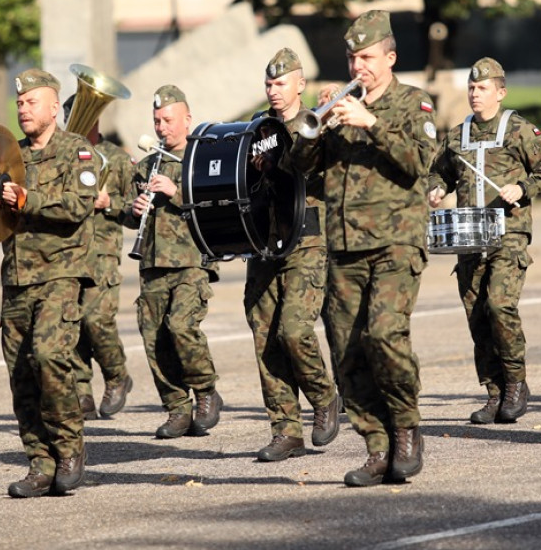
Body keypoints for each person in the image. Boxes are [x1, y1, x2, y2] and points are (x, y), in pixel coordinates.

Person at [291, 10, 438, 487]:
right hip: (345, 245)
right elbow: (300, 167)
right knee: (347, 350)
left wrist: (370, 122)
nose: (360, 67)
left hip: (396, 241)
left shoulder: (414, 102)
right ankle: (376, 447)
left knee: (384, 336)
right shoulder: (339, 107)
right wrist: (318, 126)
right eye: (354, 57)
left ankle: (406, 428)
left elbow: (419, 161)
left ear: (390, 57)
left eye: (369, 57)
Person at [428, 57, 541, 425]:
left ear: (500, 93)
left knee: (500, 306)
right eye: (472, 88)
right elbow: (437, 173)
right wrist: (436, 190)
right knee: (477, 317)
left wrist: (523, 187)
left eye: (483, 88)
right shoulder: (457, 135)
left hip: (509, 234)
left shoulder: (519, 130)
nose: (475, 93)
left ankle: (517, 384)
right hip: (470, 234)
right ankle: (494, 392)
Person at [0, 70, 96, 498]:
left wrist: (27, 199)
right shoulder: (9, 156)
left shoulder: (78, 151)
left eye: (31, 102)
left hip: (60, 272)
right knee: (21, 374)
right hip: (17, 277)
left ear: (54, 107)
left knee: (49, 355)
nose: (23, 109)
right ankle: (39, 462)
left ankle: (69, 447)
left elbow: (79, 206)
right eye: (19, 103)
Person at [244, 48, 341, 462]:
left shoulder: (319, 121)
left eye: (281, 83)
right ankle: (286, 429)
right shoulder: (257, 128)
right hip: (265, 240)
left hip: (306, 239)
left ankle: (325, 396)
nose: (274, 90)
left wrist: (328, 118)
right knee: (265, 335)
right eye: (269, 83)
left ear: (300, 84)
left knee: (294, 330)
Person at [121, 85, 222, 440]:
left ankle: (207, 391)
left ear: (187, 119)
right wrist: (132, 210)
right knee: (155, 340)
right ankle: (177, 408)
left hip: (192, 260)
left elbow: (216, 207)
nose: (162, 128)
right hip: (152, 262)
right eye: (157, 121)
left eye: (168, 120)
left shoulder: (204, 159)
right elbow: (127, 213)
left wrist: (174, 192)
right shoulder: (149, 164)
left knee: (181, 327)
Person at [74, 125, 134, 421]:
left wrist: (110, 204)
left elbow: (136, 210)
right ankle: (81, 393)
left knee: (96, 320)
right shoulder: (67, 155)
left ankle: (116, 375)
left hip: (103, 253)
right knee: (70, 326)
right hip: (69, 254)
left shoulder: (117, 159)